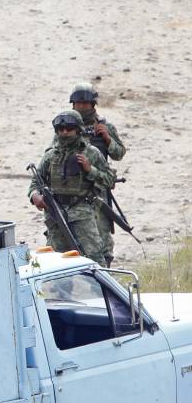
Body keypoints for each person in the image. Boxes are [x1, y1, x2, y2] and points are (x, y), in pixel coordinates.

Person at [30, 110, 114, 266]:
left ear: (78, 130)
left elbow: (109, 180)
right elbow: (36, 181)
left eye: (69, 129)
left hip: (82, 214)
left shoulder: (91, 153)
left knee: (94, 258)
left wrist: (90, 169)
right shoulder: (51, 155)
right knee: (55, 261)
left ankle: (100, 283)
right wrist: (35, 195)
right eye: (61, 129)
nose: (64, 132)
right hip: (56, 214)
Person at [69, 82, 127, 267]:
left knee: (102, 237)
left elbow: (119, 153)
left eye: (85, 104)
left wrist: (107, 138)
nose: (81, 107)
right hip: (73, 189)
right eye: (78, 103)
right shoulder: (67, 126)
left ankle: (103, 270)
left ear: (93, 104)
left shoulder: (104, 126)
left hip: (98, 188)